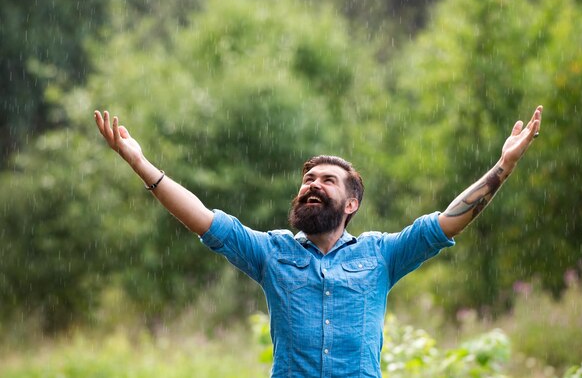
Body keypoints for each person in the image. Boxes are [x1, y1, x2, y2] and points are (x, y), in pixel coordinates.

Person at [94, 106, 543, 378]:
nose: (313, 184)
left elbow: (447, 222)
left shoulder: (381, 255)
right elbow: (203, 219)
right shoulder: (271, 253)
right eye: (308, 179)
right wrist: (139, 163)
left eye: (327, 180)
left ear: (351, 204)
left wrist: (503, 166)